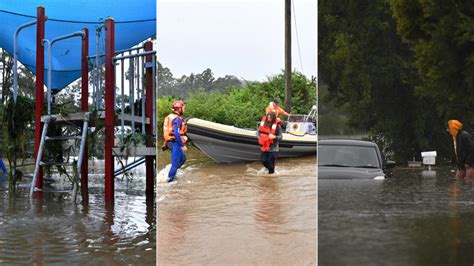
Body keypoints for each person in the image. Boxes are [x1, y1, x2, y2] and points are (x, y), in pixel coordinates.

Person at [163, 100, 188, 182]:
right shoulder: (177, 119)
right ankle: (169, 181)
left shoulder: (170, 116)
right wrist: (182, 145)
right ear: (179, 109)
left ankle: (171, 173)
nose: (184, 109)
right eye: (183, 108)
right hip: (175, 142)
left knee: (183, 158)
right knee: (175, 163)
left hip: (172, 141)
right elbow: (177, 133)